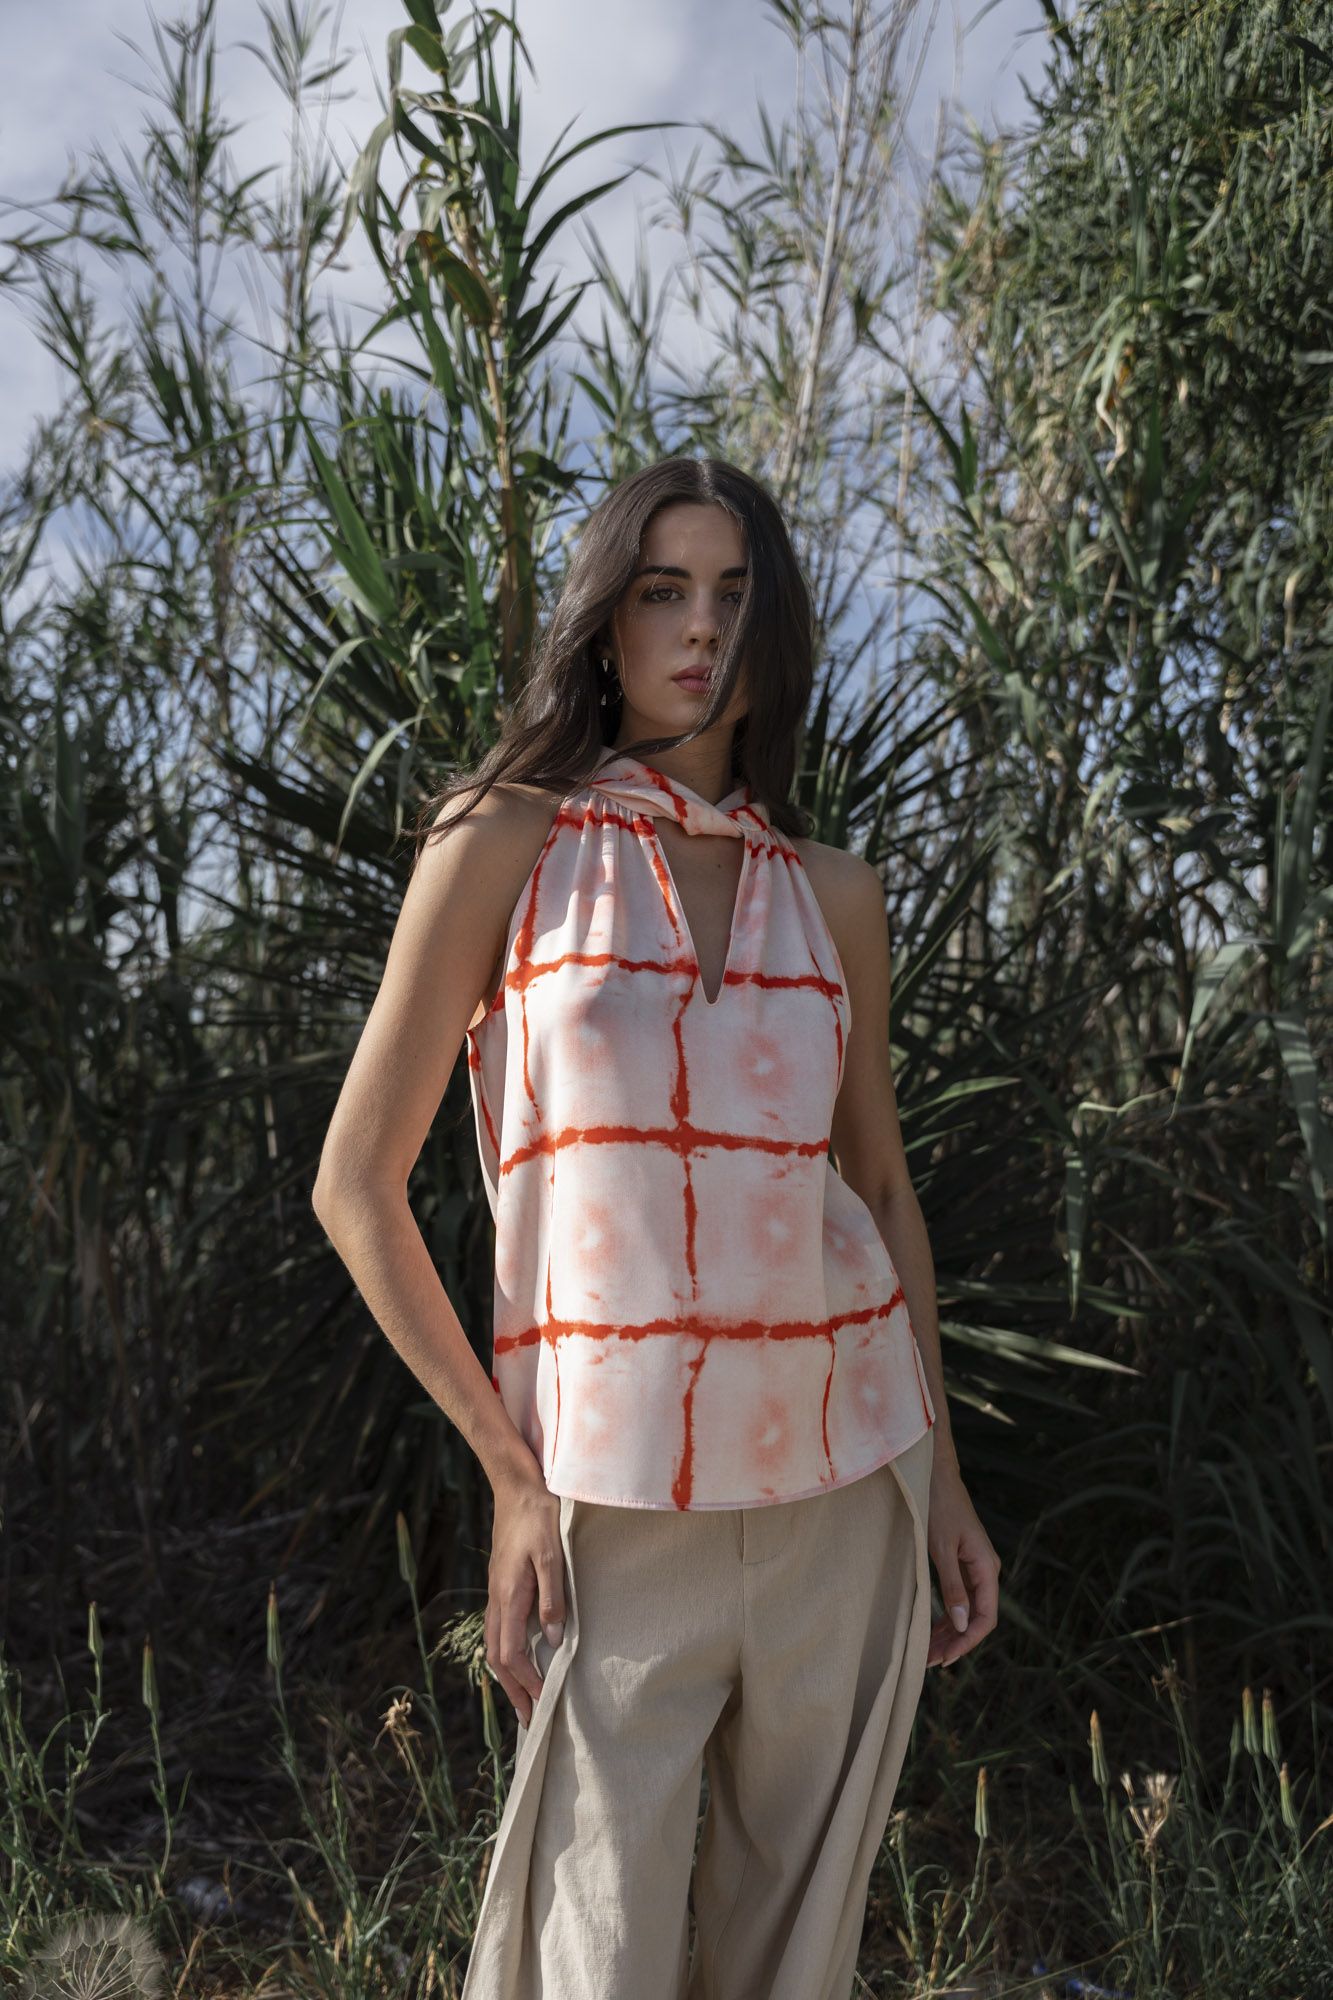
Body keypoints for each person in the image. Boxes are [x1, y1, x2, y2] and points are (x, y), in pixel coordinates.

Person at [311, 456, 1001, 1999]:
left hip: (845, 1483)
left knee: (791, 1964)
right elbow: (353, 1183)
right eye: (662, 590)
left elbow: (879, 1193)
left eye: (734, 595)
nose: (699, 628)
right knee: (586, 1958)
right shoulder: (502, 842)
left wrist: (945, 1479)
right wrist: (510, 1478)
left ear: (776, 628)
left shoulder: (832, 893)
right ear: (605, 620)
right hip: (610, 1504)